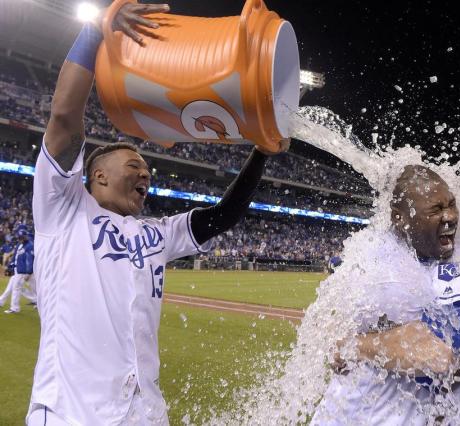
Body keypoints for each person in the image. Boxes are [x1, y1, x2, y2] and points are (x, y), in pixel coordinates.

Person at [27, 3, 288, 425]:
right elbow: (63, 117)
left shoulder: (156, 232)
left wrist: (260, 152)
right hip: (72, 410)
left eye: (147, 169)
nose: (145, 173)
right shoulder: (62, 209)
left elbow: (225, 215)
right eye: (134, 166)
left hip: (144, 410)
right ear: (98, 175)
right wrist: (98, 28)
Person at [312, 165, 460, 425]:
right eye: (435, 209)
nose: (450, 217)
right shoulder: (385, 274)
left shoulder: (443, 260)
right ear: (400, 218)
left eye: (452, 205)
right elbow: (447, 364)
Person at [0, 229, 35, 313]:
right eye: (19, 237)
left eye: (22, 237)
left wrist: (28, 272)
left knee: (16, 288)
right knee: (12, 287)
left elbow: (30, 260)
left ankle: (15, 308)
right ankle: (1, 301)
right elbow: (16, 258)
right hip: (17, 270)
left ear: (25, 236)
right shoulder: (20, 245)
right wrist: (11, 266)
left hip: (23, 272)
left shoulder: (29, 245)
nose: (20, 239)